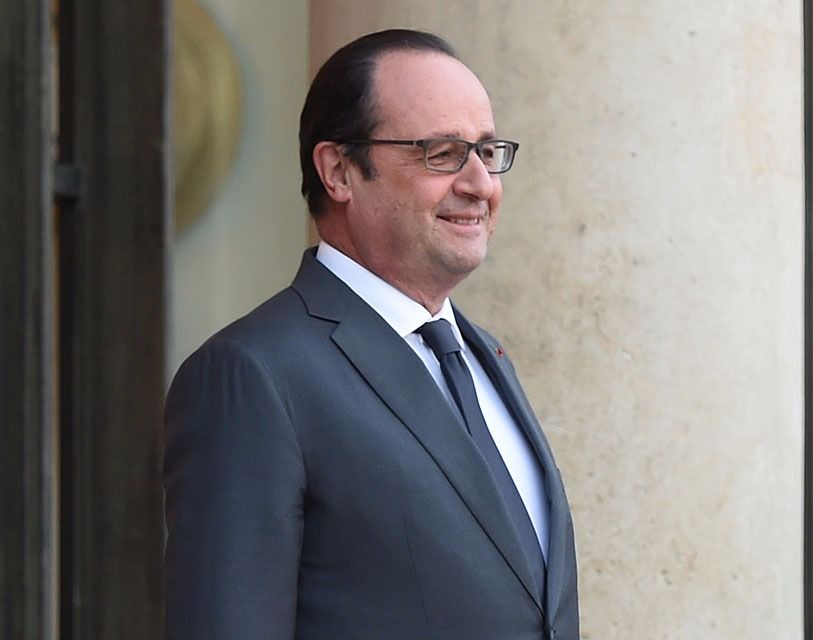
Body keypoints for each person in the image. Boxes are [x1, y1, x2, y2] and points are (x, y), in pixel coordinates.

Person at [163, 29, 578, 639]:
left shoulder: (483, 355)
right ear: (339, 171)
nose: (480, 184)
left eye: (487, 152)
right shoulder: (252, 375)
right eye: (441, 153)